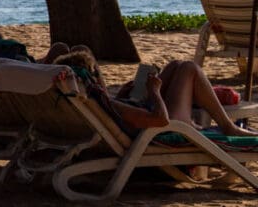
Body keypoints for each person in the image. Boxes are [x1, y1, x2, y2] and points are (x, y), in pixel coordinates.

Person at [49, 46, 258, 137]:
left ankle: (227, 124)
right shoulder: (105, 102)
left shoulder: (86, 98)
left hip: (143, 120)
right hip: (166, 128)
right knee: (189, 68)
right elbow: (160, 120)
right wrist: (155, 92)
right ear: (91, 79)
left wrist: (124, 96)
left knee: (176, 65)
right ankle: (228, 126)